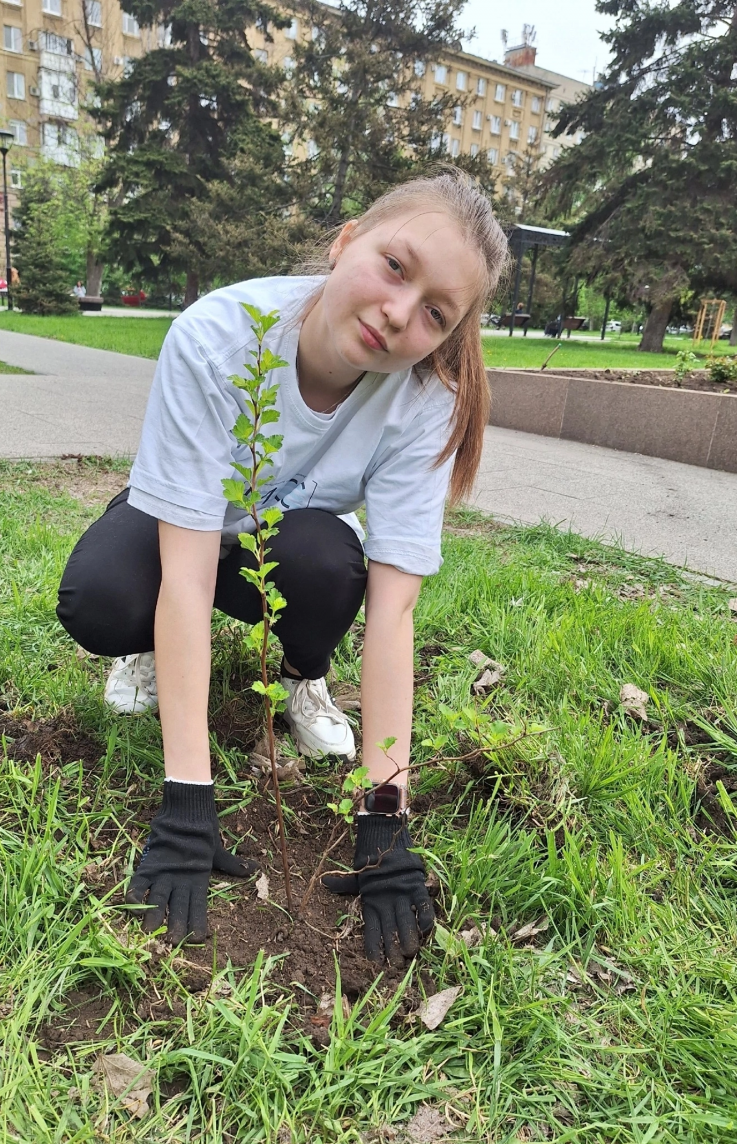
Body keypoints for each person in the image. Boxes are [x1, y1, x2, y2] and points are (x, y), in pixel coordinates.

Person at [56, 168, 509, 966]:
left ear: (446, 336)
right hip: (186, 526)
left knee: (334, 563)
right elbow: (189, 575)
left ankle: (303, 676)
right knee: (102, 595)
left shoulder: (424, 401)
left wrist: (384, 815)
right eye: (395, 267)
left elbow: (392, 612)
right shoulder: (218, 335)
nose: (398, 314)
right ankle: (148, 649)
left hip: (285, 542)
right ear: (345, 243)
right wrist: (189, 800)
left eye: (435, 312)